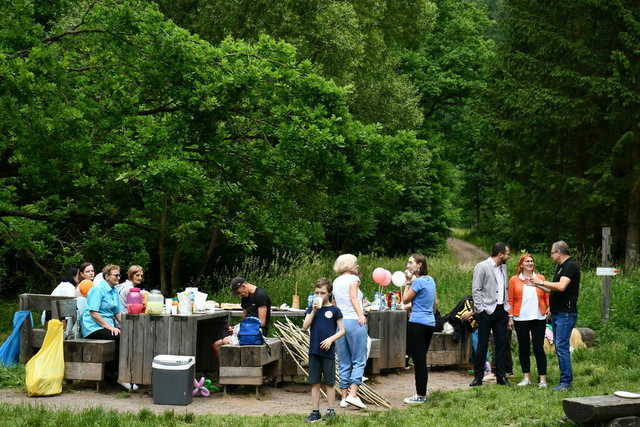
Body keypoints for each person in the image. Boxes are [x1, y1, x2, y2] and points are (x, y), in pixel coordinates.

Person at [529, 241, 580, 391]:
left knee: (562, 346)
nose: (551, 255)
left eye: (552, 252)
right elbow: (553, 289)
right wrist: (536, 284)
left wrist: (541, 281)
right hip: (557, 313)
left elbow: (561, 286)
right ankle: (565, 379)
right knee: (559, 346)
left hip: (566, 313)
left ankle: (566, 382)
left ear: (559, 252)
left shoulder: (570, 266)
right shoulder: (560, 267)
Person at [81, 264, 136, 391]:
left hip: (106, 326)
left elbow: (117, 313)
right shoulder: (97, 289)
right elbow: (93, 313)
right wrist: (110, 327)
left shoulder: (114, 290)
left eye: (119, 275)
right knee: (119, 337)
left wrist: (128, 326)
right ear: (107, 276)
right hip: (93, 327)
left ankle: (124, 374)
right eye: (116, 275)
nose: (118, 277)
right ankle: (115, 377)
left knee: (128, 335)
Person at [465, 242, 512, 387]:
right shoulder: (482, 266)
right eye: (507, 253)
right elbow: (476, 290)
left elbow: (505, 289)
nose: (509, 256)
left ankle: (501, 377)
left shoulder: (504, 267)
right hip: (485, 312)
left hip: (501, 311)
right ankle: (478, 377)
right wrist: (480, 309)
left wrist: (507, 309)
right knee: (482, 345)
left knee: (501, 345)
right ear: (500, 254)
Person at [302, 278, 345, 423]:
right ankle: (315, 412)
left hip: (328, 353)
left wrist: (331, 339)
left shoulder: (334, 310)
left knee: (330, 382)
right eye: (317, 292)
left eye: (322, 292)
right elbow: (305, 326)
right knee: (314, 382)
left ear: (330, 293)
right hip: (314, 351)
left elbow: (342, 331)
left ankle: (331, 410)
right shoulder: (312, 308)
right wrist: (313, 310)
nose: (319, 295)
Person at [508, 253, 549, 388]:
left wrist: (549, 307)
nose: (530, 263)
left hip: (539, 317)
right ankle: (526, 378)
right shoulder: (514, 280)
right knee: (524, 348)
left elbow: (547, 295)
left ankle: (542, 379)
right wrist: (510, 317)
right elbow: (510, 300)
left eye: (531, 261)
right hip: (521, 318)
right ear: (521, 265)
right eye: (527, 261)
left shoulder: (540, 278)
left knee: (538, 348)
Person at [211, 277, 272, 368]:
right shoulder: (245, 298)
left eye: (239, 292)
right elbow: (244, 319)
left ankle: (228, 372)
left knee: (219, 344)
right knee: (216, 344)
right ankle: (226, 371)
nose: (240, 295)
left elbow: (262, 322)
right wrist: (236, 328)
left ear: (244, 286)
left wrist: (242, 329)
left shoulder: (260, 295)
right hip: (245, 332)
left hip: (257, 334)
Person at [332, 254, 367, 409]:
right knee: (359, 359)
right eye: (355, 263)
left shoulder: (336, 281)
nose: (357, 266)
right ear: (349, 265)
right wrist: (361, 314)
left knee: (344, 361)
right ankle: (353, 394)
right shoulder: (354, 279)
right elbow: (353, 298)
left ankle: (344, 397)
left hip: (340, 322)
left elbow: (335, 302)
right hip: (354, 320)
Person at [402, 254, 437, 404]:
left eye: (411, 262)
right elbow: (434, 303)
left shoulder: (418, 282)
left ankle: (420, 395)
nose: (408, 265)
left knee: (419, 361)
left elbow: (404, 300)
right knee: (421, 359)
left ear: (419, 265)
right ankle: (421, 393)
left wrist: (408, 283)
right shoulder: (430, 280)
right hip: (429, 323)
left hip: (417, 323)